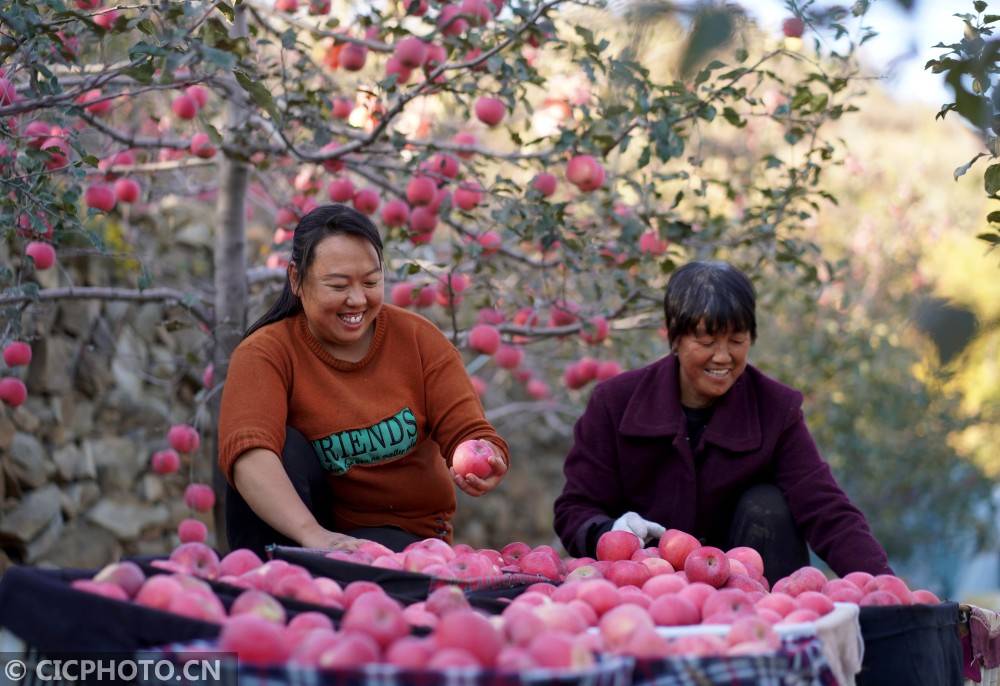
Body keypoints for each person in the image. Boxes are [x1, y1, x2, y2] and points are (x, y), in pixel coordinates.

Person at [553, 260, 891, 584]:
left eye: (736, 340)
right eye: (706, 340)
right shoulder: (615, 403)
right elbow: (574, 509)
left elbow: (826, 510)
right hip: (645, 589)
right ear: (675, 337)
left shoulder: (775, 409)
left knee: (768, 504)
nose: (722, 356)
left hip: (747, 590)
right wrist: (611, 532)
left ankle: (773, 632)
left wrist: (887, 590)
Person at [218, 204, 509, 556]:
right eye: (338, 285)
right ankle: (266, 581)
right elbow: (249, 453)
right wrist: (314, 535)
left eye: (371, 282)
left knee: (368, 570)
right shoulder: (266, 352)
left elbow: (468, 430)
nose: (357, 300)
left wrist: (485, 455)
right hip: (300, 530)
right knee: (281, 445)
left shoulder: (417, 340)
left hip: (404, 535)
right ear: (296, 279)